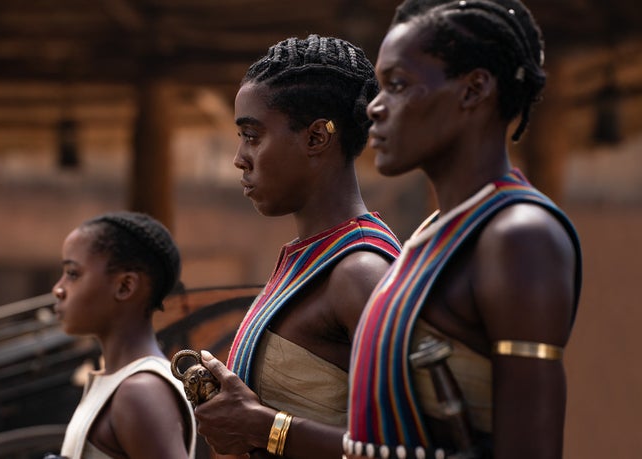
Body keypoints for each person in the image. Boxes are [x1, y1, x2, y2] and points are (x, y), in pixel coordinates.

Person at [344, 1, 583, 458]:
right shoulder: (432, 234)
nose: (374, 107)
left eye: (397, 85)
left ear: (474, 89)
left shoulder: (518, 237)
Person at [193, 35, 403, 459]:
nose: (240, 158)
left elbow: (404, 448)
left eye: (253, 136)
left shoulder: (360, 272)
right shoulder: (310, 258)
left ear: (316, 138)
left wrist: (263, 428)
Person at [51, 211, 196, 459]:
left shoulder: (141, 391)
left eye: (73, 274)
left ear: (125, 286)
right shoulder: (120, 383)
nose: (58, 289)